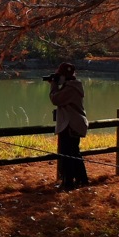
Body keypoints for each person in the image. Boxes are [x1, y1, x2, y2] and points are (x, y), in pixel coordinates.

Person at [49, 62, 89, 190]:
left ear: (63, 76)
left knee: (67, 156)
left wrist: (53, 85)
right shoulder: (73, 86)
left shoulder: (70, 88)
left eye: (59, 75)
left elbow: (55, 99)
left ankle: (68, 183)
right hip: (74, 124)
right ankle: (81, 181)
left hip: (70, 125)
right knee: (74, 154)